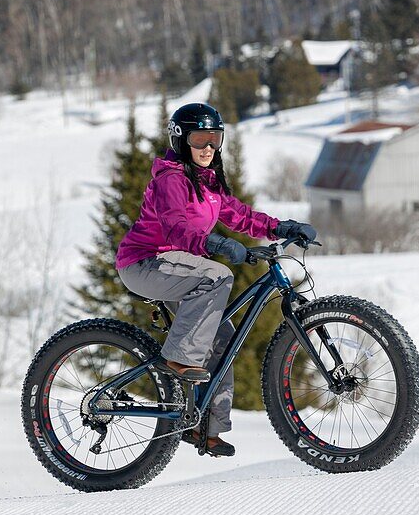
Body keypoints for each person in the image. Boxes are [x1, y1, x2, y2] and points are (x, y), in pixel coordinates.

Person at [115, 102, 315, 458]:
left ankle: (205, 429)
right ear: (180, 141)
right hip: (146, 262)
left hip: (179, 267)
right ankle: (177, 360)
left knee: (223, 340)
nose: (209, 147)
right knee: (218, 275)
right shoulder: (171, 179)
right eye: (200, 139)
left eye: (215, 138)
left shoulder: (206, 182)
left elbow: (238, 215)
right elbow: (177, 226)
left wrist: (281, 227)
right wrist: (215, 243)